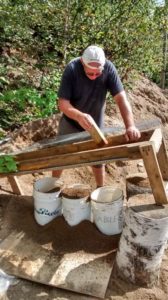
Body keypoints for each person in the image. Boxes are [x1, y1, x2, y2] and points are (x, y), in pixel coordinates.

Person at [52, 45, 141, 187]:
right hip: (71, 121)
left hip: (95, 122)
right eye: (90, 73)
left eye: (97, 74)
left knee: (99, 159)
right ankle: (52, 187)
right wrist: (79, 116)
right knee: (60, 156)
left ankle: (100, 192)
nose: (94, 77)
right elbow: (63, 104)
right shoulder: (72, 69)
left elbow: (121, 99)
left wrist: (130, 126)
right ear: (82, 62)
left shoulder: (109, 68)